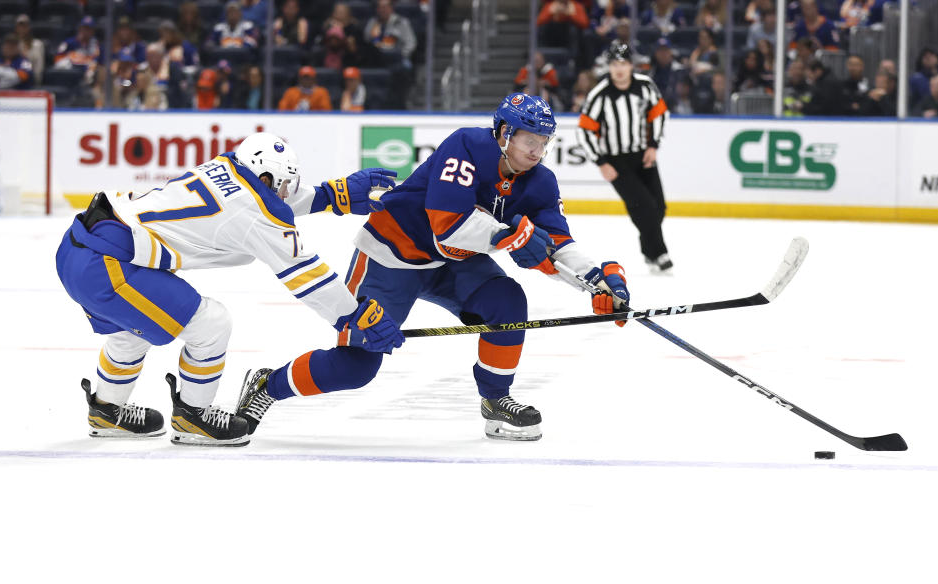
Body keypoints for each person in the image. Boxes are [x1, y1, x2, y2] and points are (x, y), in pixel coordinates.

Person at [236, 94, 631, 442]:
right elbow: (448, 227)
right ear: (504, 133)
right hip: (391, 255)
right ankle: (267, 386)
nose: (536, 151)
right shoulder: (466, 146)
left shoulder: (540, 183)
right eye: (530, 139)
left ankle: (495, 400)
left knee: (507, 301)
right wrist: (510, 236)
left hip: (453, 265)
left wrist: (597, 282)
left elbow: (558, 243)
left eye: (544, 142)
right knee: (357, 366)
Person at [54, 132, 402, 445]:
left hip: (79, 248)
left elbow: (255, 204)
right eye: (281, 185)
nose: (284, 194)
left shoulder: (227, 165)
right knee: (211, 323)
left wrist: (328, 196)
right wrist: (352, 316)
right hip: (107, 265)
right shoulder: (254, 211)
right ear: (264, 176)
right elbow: (306, 273)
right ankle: (192, 417)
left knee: (132, 333)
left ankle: (106, 411)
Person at [579, 43, 673, 273]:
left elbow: (659, 114)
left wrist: (653, 146)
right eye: (614, 64)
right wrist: (601, 162)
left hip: (643, 155)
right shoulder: (599, 94)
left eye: (623, 63)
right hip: (616, 161)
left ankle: (648, 250)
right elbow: (584, 130)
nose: (619, 69)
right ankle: (659, 254)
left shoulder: (645, 86)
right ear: (608, 67)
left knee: (658, 207)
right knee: (645, 207)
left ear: (631, 65)